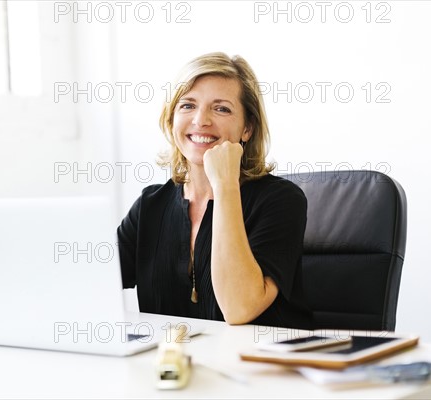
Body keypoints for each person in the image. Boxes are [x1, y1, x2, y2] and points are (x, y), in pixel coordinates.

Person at [117, 52, 311, 329]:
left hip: (258, 367)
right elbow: (88, 286)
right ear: (172, 120)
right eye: (187, 105)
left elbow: (239, 308)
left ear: (247, 128)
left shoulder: (281, 201)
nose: (200, 120)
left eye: (221, 109)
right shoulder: (150, 205)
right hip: (174, 365)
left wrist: (225, 185)